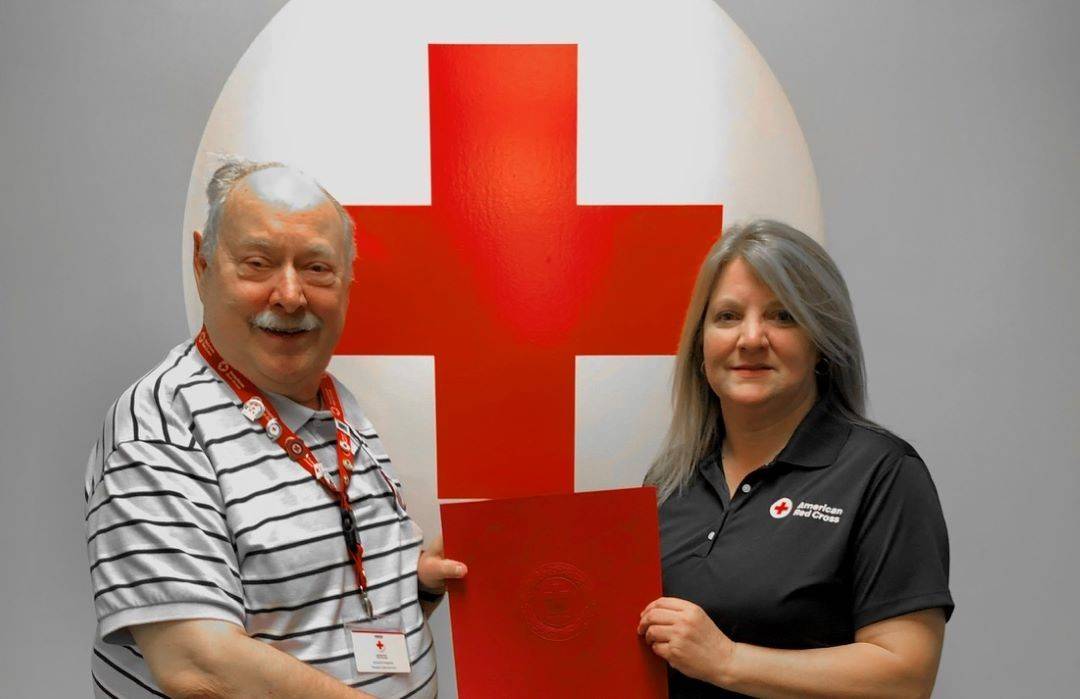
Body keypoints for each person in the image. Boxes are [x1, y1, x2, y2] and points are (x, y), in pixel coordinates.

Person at [83, 159, 465, 698]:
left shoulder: (335, 403)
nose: (290, 295)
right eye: (258, 264)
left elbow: (319, 603)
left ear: (348, 280)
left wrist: (413, 589)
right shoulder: (159, 429)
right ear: (203, 262)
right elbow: (197, 663)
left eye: (316, 268)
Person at [638, 220, 953, 698]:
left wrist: (728, 660)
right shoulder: (668, 481)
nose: (750, 338)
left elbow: (906, 677)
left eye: (782, 316)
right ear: (700, 345)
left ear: (821, 343)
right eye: (726, 316)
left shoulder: (881, 472)